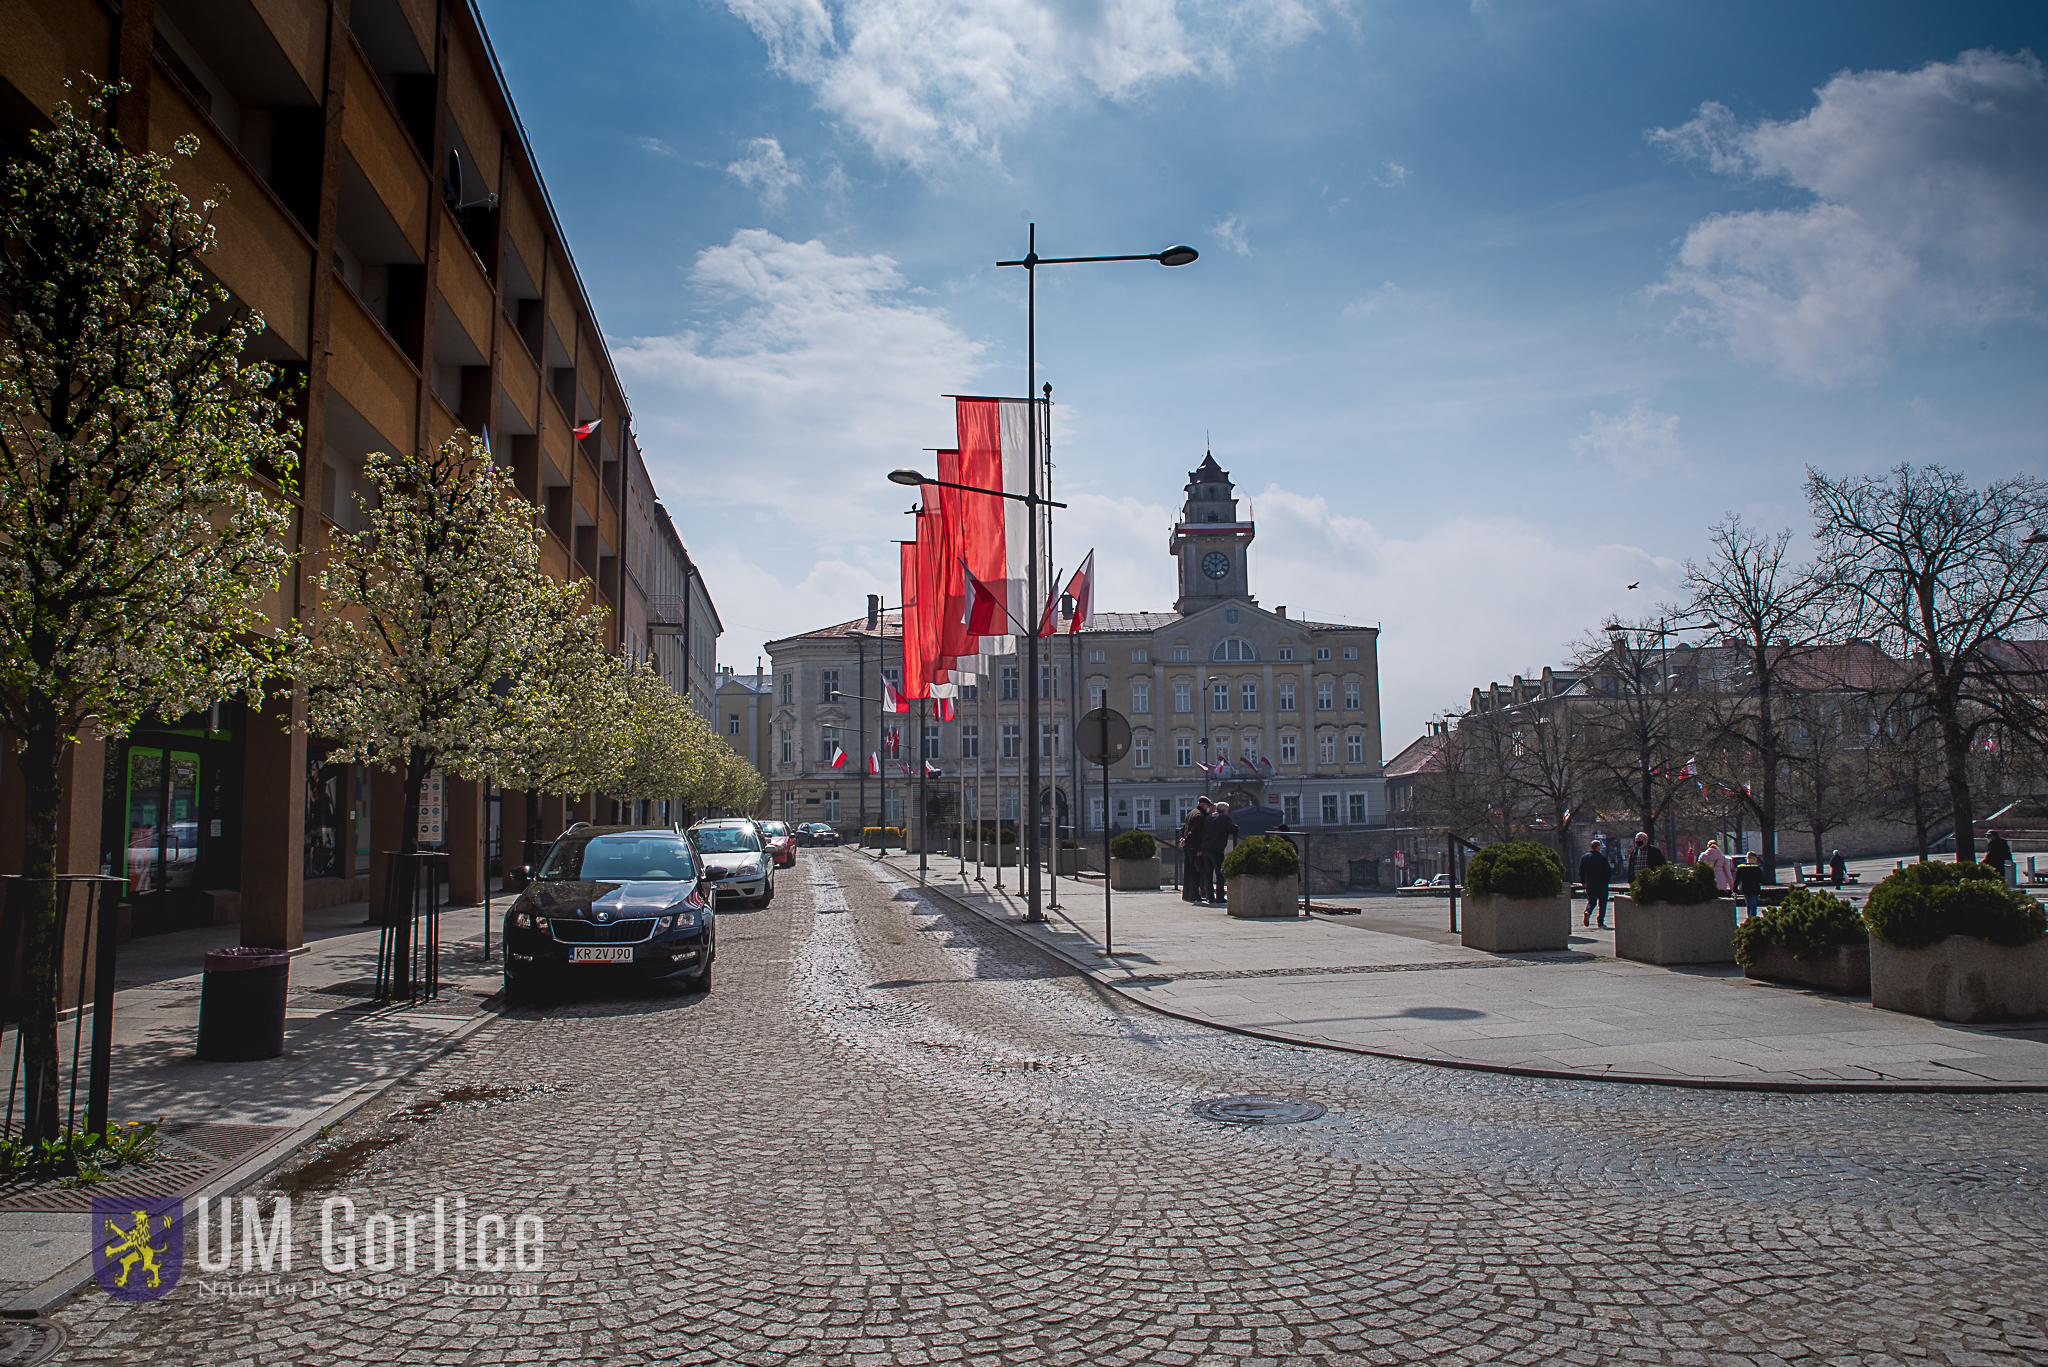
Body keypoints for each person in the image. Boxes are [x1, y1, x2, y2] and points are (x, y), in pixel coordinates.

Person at [1199, 801, 1239, 902]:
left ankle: (1210, 897)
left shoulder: (1208, 818)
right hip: (1216, 848)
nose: (1228, 812)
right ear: (1224, 810)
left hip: (1205, 847)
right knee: (1220, 873)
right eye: (1227, 810)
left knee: (1208, 873)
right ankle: (1220, 897)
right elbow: (1233, 829)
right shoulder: (1224, 818)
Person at [1178, 798, 1212, 903]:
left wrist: (1183, 839)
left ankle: (1186, 894)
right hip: (1194, 846)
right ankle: (1194, 894)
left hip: (1187, 846)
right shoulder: (1200, 816)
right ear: (1203, 805)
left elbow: (1183, 828)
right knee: (1195, 871)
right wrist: (1188, 840)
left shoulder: (1191, 813)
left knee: (1188, 869)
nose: (1208, 808)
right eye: (1207, 806)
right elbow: (1195, 832)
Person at [1578, 838, 1613, 929]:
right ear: (1598, 847)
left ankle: (1588, 911)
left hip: (1590, 883)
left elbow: (1581, 870)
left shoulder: (1585, 858)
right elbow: (1608, 871)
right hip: (1601, 884)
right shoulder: (1602, 858)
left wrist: (1583, 881)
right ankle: (1600, 922)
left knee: (1591, 901)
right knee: (1602, 903)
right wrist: (1607, 881)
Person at [1734, 851, 1765, 920]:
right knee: (1753, 905)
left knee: (1748, 905)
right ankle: (1753, 919)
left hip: (1745, 889)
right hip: (1755, 889)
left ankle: (1749, 918)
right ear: (1754, 859)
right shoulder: (1756, 868)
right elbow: (1762, 880)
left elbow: (1737, 880)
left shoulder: (1741, 868)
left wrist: (1734, 889)